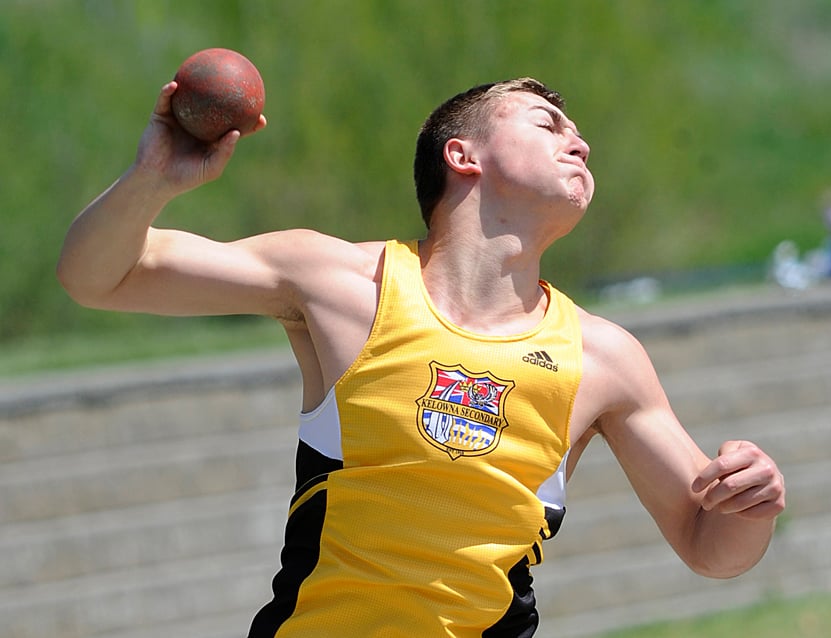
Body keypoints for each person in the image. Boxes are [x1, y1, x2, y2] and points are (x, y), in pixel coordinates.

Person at [57, 77, 785, 637]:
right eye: (549, 124)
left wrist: (750, 501)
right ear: (461, 155)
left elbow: (709, 544)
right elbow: (99, 276)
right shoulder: (342, 283)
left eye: (580, 135)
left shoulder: (602, 356)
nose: (581, 144)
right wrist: (153, 176)